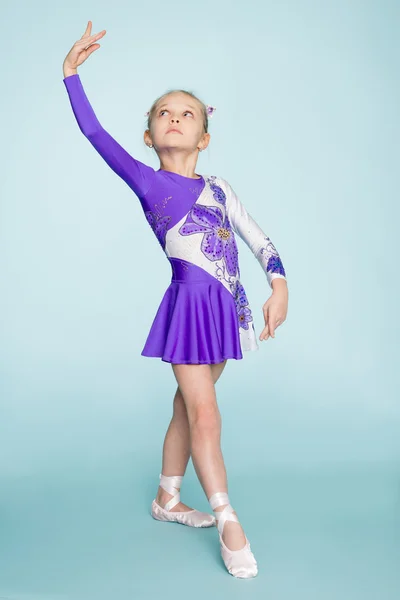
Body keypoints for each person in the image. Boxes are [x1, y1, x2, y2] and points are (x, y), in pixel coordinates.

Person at [62, 21, 289, 579]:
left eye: (187, 113)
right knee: (205, 414)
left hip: (226, 312)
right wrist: (70, 75)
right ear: (148, 135)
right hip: (189, 311)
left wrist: (279, 285)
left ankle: (167, 498)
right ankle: (228, 516)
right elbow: (95, 135)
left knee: (185, 406)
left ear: (205, 136)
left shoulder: (222, 188)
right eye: (164, 112)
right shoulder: (146, 181)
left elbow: (259, 240)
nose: (175, 117)